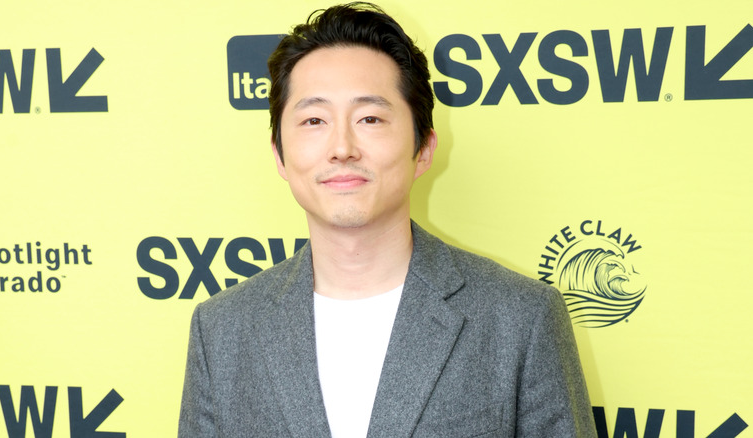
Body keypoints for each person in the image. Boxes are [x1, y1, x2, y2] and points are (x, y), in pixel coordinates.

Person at [179, 3, 596, 437]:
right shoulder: (222, 331)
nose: (342, 147)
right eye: (314, 120)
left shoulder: (520, 318)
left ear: (424, 147)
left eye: (370, 118)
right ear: (279, 154)